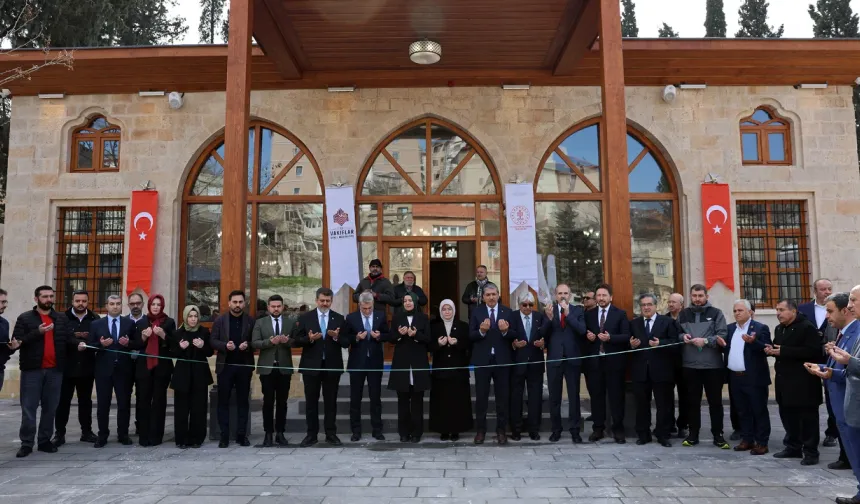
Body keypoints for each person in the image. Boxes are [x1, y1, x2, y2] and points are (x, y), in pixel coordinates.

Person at [806, 292, 860, 492]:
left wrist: (831, 373)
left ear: (844, 311)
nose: (826, 316)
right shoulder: (843, 333)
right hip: (840, 407)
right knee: (854, 457)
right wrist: (823, 368)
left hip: (851, 406)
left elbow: (851, 368)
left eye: (830, 311)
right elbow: (841, 365)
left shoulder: (856, 332)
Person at [13, 286, 75, 457]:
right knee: (29, 408)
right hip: (32, 370)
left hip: (55, 371)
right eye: (45, 296)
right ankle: (26, 443)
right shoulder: (25, 318)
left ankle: (44, 440)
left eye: (51, 296)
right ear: (36, 299)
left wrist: (80, 344)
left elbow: (69, 339)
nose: (49, 299)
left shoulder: (61, 318)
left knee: (50, 407)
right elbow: (18, 341)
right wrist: (37, 332)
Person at [767, 299, 822, 466]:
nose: (778, 313)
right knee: (788, 415)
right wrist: (771, 350)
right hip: (784, 380)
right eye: (776, 310)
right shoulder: (779, 328)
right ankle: (793, 446)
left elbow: (814, 352)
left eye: (782, 310)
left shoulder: (807, 327)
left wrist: (783, 351)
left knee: (807, 418)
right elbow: (780, 349)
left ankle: (811, 451)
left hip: (803, 382)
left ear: (793, 311)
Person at [294, 287, 349, 447]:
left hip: (332, 366)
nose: (325, 304)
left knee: (331, 402)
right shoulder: (306, 318)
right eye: (322, 301)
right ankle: (311, 434)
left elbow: (347, 342)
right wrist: (309, 339)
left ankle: (331, 434)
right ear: (316, 301)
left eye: (328, 301)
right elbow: (296, 340)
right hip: (311, 366)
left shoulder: (339, 318)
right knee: (311, 402)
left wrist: (337, 337)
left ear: (331, 301)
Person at [678, 284, 729, 449]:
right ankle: (693, 434)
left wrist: (706, 341)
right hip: (690, 365)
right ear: (690, 296)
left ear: (706, 296)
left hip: (712, 366)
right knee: (692, 402)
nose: (697, 299)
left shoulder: (716, 313)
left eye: (700, 295)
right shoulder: (683, 314)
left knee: (715, 402)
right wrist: (682, 336)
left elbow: (722, 334)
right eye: (694, 296)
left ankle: (718, 435)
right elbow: (676, 333)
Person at [718, 299, 772, 455]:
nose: (737, 313)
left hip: (754, 378)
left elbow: (767, 348)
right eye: (735, 311)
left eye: (740, 310)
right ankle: (747, 439)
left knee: (758, 410)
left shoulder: (760, 328)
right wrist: (721, 346)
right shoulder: (729, 329)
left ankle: (762, 442)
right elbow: (731, 350)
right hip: (735, 377)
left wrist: (753, 342)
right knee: (742, 410)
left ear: (750, 312)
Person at [630, 293, 680, 447]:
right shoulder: (634, 323)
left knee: (663, 405)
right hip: (640, 371)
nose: (646, 307)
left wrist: (661, 343)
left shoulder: (667, 322)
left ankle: (662, 434)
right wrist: (631, 345)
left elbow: (675, 343)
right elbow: (628, 344)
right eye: (643, 305)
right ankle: (643, 434)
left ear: (655, 306)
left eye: (649, 304)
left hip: (661, 371)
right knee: (641, 405)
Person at [825, 286, 860, 504]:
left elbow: (853, 364)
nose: (850, 305)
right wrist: (829, 369)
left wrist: (849, 361)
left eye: (854, 300)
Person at [584, 283, 631, 443]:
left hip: (614, 363)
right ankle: (598, 429)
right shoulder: (589, 315)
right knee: (596, 397)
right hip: (595, 363)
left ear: (611, 297)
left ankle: (618, 430)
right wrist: (588, 338)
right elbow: (585, 336)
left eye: (604, 295)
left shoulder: (620, 314)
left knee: (616, 397)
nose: (601, 298)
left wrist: (611, 338)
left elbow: (626, 336)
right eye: (598, 295)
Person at [469, 282, 515, 444]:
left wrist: (505, 331)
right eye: (488, 295)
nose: (491, 297)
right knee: (481, 397)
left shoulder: (507, 312)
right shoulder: (477, 312)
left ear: (498, 295)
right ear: (483, 298)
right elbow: (471, 335)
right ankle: (481, 430)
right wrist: (481, 331)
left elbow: (514, 334)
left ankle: (501, 430)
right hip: (483, 361)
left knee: (502, 397)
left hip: (502, 361)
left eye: (493, 294)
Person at [89, 294, 138, 448]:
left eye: (117, 303)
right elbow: (90, 344)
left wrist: (128, 343)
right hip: (103, 370)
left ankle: (123, 434)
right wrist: (101, 344)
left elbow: (136, 343)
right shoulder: (96, 324)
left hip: (123, 369)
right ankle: (102, 435)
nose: (115, 306)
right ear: (107, 306)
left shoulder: (129, 323)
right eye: (112, 304)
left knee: (124, 403)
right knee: (103, 404)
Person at [52, 290, 99, 447]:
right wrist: (75, 341)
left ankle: (86, 432)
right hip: (66, 367)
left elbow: (97, 339)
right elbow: (60, 339)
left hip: (87, 367)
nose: (81, 303)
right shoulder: (62, 318)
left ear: (88, 302)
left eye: (84, 301)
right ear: (72, 301)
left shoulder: (94, 318)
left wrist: (90, 343)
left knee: (85, 401)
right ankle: (59, 433)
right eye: (77, 300)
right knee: (63, 402)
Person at [210, 290, 255, 448]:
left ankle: (241, 435)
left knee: (243, 401)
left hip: (244, 367)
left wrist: (248, 345)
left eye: (240, 302)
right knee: (223, 401)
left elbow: (255, 341)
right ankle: (224, 436)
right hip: (225, 367)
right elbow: (213, 340)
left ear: (244, 303)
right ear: (229, 303)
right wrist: (224, 346)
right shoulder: (220, 321)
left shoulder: (250, 321)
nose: (237, 305)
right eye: (234, 302)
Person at [344, 291, 389, 441]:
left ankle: (377, 429)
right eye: (364, 308)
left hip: (375, 362)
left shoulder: (380, 316)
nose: (367, 311)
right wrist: (356, 337)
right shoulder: (351, 318)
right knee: (355, 398)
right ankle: (356, 431)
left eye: (370, 308)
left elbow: (387, 334)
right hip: (357, 363)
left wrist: (380, 336)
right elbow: (345, 339)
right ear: (359, 305)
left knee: (375, 397)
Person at [544, 283, 585, 443]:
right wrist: (548, 319)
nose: (562, 296)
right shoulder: (549, 310)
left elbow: (582, 330)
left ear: (570, 295)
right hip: (554, 358)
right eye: (559, 293)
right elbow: (543, 334)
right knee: (554, 397)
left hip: (572, 358)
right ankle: (556, 429)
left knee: (574, 396)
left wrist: (568, 315)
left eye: (565, 293)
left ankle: (575, 430)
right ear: (555, 295)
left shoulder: (577, 311)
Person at [252, 295, 294, 448]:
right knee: (268, 402)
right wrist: (269, 342)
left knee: (282, 402)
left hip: (284, 368)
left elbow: (296, 341)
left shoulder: (290, 322)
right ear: (268, 307)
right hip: (267, 369)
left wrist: (286, 341)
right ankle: (268, 433)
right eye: (273, 306)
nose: (276, 309)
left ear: (283, 307)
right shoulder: (260, 322)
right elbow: (254, 342)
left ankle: (280, 433)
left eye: (279, 306)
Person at [388, 292, 431, 443]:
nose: (407, 303)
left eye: (410, 300)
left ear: (415, 302)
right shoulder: (397, 318)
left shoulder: (423, 318)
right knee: (403, 402)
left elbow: (429, 340)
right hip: (402, 363)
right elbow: (391, 338)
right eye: (405, 300)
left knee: (418, 401)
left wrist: (416, 335)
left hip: (418, 363)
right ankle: (403, 433)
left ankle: (417, 433)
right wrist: (399, 335)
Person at [799, 278, 837, 447]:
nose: (827, 292)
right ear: (815, 291)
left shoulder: (837, 309)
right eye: (823, 289)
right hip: (809, 358)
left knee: (832, 397)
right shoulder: (803, 309)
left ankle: (832, 433)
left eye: (829, 289)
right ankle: (806, 433)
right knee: (807, 397)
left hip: (831, 358)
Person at [170, 305, 213, 449]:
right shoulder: (178, 333)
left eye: (195, 316)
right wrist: (180, 348)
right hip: (182, 375)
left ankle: (197, 438)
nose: (193, 319)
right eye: (190, 316)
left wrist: (202, 346)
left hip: (199, 374)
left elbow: (209, 352)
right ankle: (181, 439)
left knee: (198, 408)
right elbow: (172, 353)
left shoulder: (204, 331)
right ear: (185, 317)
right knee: (181, 409)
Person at [429, 299, 473, 441]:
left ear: (454, 310)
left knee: (457, 401)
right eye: (444, 309)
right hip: (440, 371)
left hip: (458, 371)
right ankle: (443, 430)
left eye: (449, 309)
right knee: (442, 401)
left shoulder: (463, 326)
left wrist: (457, 343)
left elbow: (469, 345)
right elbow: (428, 346)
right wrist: (438, 344)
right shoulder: (434, 327)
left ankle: (456, 430)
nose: (447, 312)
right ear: (440, 311)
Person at [134, 294, 175, 447]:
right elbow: (135, 344)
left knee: (159, 401)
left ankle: (157, 435)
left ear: (162, 306)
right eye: (153, 304)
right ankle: (143, 436)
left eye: (158, 304)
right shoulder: (142, 322)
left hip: (162, 368)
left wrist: (163, 335)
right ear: (149, 305)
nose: (156, 307)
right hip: (144, 368)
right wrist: (144, 338)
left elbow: (174, 344)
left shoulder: (169, 322)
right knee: (143, 400)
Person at [510, 292, 549, 441]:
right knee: (516, 398)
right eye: (524, 304)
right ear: (519, 305)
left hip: (535, 363)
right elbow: (506, 336)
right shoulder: (512, 316)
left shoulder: (540, 317)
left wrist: (543, 343)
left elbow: (547, 333)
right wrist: (514, 344)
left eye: (530, 305)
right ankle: (516, 429)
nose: (527, 307)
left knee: (535, 398)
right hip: (517, 363)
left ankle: (534, 429)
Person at [666, 292, 687, 438]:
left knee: (684, 395)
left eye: (674, 302)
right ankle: (669, 423)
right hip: (668, 362)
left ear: (681, 304)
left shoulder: (687, 318)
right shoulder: (664, 319)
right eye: (669, 302)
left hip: (685, 362)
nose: (671, 304)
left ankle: (683, 424)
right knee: (667, 396)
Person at [126, 293, 146, 437]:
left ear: (143, 304)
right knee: (125, 396)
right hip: (126, 365)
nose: (135, 306)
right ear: (128, 305)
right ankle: (124, 428)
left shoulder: (148, 321)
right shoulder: (123, 321)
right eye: (132, 304)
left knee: (142, 396)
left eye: (138, 303)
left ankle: (141, 425)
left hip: (143, 365)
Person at [0, 289, 15, 394]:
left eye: (5, 302)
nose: (4, 305)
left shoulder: (4, 323)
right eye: (1, 302)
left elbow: (5, 348)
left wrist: (12, 347)